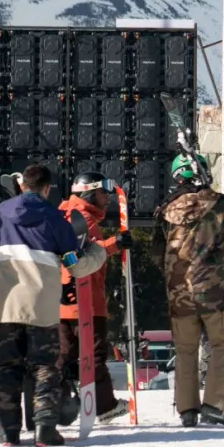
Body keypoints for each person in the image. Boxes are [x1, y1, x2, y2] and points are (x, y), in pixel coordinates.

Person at [0, 164, 106, 445]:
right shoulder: (55, 220)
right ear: (47, 189)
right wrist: (97, 252)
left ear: (22, 186)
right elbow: (74, 264)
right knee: (45, 368)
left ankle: (9, 433)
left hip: (5, 306)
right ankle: (44, 430)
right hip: (42, 308)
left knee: (8, 368)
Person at [152, 152, 224, 428]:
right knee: (222, 346)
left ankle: (187, 409)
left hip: (179, 293)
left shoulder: (165, 210)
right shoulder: (218, 203)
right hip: (214, 291)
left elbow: (157, 254)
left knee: (185, 350)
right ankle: (214, 405)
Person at [56, 172, 133, 424]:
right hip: (86, 299)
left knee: (65, 356)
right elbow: (84, 256)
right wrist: (115, 243)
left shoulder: (62, 213)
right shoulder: (84, 218)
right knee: (94, 355)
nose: (107, 199)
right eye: (102, 193)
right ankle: (104, 406)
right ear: (88, 193)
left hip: (61, 302)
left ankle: (55, 403)